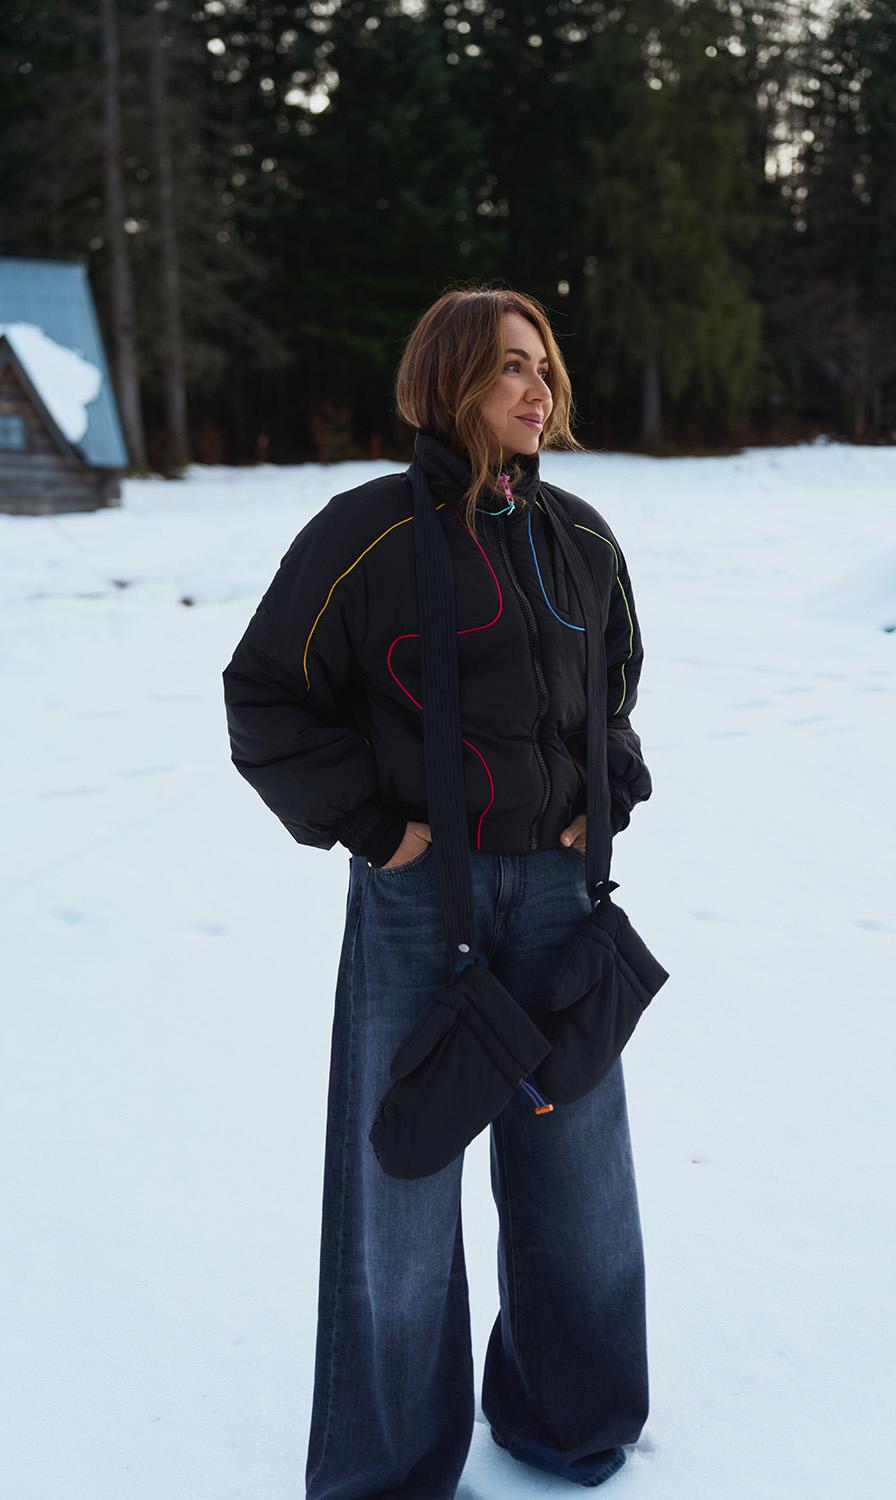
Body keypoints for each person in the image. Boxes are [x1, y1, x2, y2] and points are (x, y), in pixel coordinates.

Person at [222, 286, 654, 1500]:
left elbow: (615, 693)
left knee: (577, 1181)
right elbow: (264, 697)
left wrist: (606, 793)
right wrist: (374, 828)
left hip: (561, 900)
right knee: (399, 1193)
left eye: (545, 365)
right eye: (512, 365)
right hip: (424, 908)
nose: (539, 387)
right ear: (451, 379)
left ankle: (570, 1425)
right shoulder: (364, 535)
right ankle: (392, 1469)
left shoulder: (582, 538)